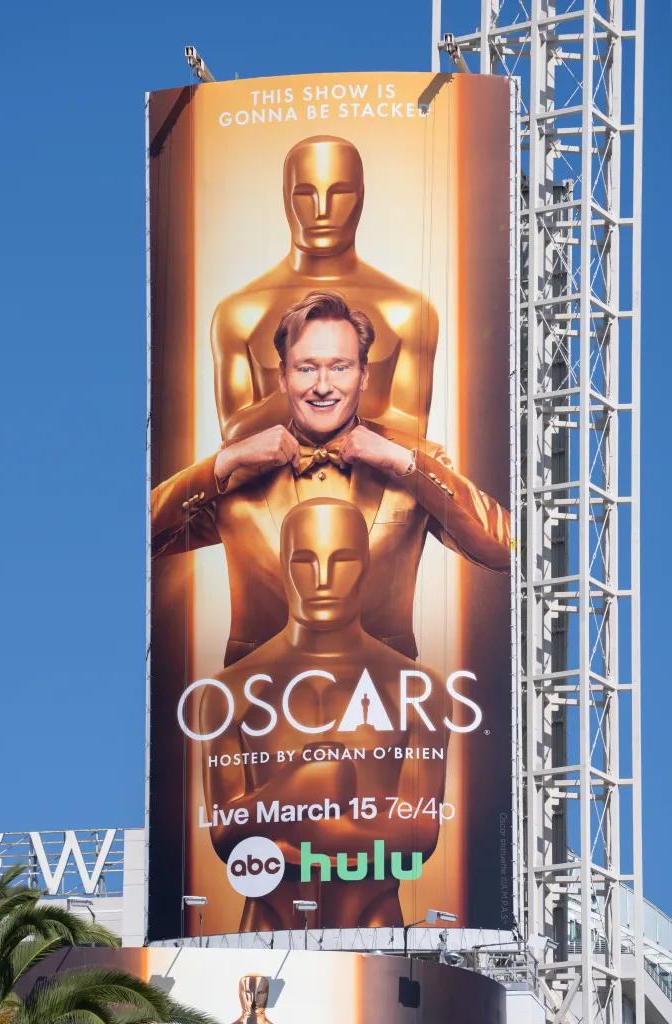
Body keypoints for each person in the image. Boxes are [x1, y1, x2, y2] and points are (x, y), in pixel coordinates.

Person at [152, 290, 510, 668]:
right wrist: (222, 464)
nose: (323, 386)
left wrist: (406, 465)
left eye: (340, 367)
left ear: (364, 375)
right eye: (307, 368)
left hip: (382, 699)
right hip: (259, 701)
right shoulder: (236, 467)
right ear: (283, 377)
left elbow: (508, 552)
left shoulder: (414, 460)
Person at [200, 498, 452, 930]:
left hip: (375, 918)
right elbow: (224, 836)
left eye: (343, 560)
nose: (322, 579)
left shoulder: (419, 689)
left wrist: (304, 829)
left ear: (367, 562)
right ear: (281, 563)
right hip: (267, 920)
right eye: (304, 561)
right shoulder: (229, 691)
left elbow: (421, 832)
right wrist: (296, 789)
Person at [211, 135, 439, 441]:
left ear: (361, 195)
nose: (321, 210)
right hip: (268, 488)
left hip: (372, 487)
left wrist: (307, 392)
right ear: (284, 197)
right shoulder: (239, 312)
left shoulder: (408, 311)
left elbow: (414, 432)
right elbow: (232, 436)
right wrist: (315, 388)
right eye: (305, 194)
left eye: (340, 193)